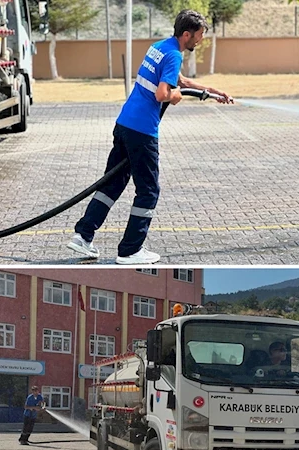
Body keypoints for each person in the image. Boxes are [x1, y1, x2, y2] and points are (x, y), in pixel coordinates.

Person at [67, 9, 233, 264]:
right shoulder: (175, 54)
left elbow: (179, 79)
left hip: (124, 123)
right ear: (187, 34)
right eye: (198, 36)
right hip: (143, 131)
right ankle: (130, 250)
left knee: (111, 184)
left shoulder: (160, 47)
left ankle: (83, 236)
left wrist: (211, 91)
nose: (199, 41)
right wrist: (175, 96)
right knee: (149, 190)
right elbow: (163, 93)